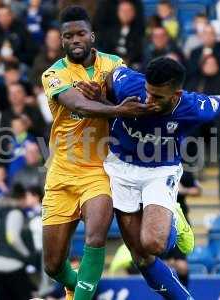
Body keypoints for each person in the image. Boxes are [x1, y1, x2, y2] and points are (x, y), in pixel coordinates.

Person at [77, 56, 220, 299]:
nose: (149, 100)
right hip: (120, 167)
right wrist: (101, 95)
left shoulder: (192, 106)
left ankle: (174, 219)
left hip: (160, 170)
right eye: (148, 92)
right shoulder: (129, 83)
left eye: (158, 97)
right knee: (141, 257)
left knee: (154, 243)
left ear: (176, 95)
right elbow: (110, 77)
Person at [40, 6, 154, 300]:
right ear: (62, 40)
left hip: (99, 169)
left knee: (95, 236)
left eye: (80, 33)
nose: (75, 40)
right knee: (52, 265)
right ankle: (76, 286)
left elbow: (127, 101)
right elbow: (78, 105)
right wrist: (116, 108)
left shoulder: (114, 64)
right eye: (68, 36)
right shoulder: (53, 74)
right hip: (62, 171)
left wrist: (109, 100)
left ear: (92, 35)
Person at [0, 185, 37, 300]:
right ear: (21, 199)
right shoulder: (16, 213)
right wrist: (26, 254)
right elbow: (12, 238)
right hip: (12, 265)